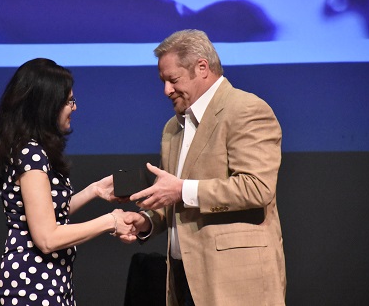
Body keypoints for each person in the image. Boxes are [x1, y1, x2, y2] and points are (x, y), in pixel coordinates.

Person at [122, 29, 286, 305]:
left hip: (236, 281)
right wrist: (147, 221)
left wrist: (182, 190)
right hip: (185, 280)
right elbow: (171, 197)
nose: (166, 91)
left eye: (173, 80)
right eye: (163, 81)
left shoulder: (246, 110)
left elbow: (257, 188)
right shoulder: (173, 127)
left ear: (202, 68)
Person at [0, 58, 134, 306]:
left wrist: (93, 191)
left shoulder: (30, 150)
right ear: (46, 106)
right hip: (32, 286)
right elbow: (47, 238)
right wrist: (111, 221)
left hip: (50, 282)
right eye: (68, 101)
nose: (74, 108)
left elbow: (46, 213)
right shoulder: (30, 153)